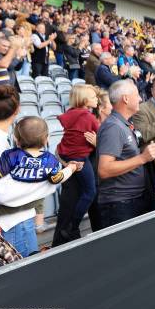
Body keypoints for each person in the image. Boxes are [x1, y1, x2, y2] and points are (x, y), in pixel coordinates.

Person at [0, 116, 80, 256]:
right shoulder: (50, 159)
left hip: (7, 216)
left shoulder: (12, 155)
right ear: (46, 139)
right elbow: (57, 178)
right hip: (19, 219)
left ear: (16, 139)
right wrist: (71, 168)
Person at [96, 80, 155, 229]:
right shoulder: (113, 127)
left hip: (130, 200)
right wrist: (143, 158)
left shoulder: (122, 124)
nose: (140, 99)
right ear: (125, 99)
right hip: (120, 204)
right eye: (137, 95)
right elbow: (104, 170)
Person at [56, 84, 101, 234]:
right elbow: (103, 136)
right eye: (94, 97)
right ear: (85, 100)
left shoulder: (70, 113)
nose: (97, 100)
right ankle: (73, 226)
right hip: (79, 158)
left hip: (65, 154)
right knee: (90, 192)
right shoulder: (89, 117)